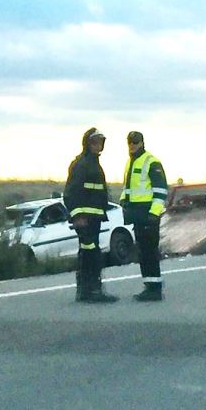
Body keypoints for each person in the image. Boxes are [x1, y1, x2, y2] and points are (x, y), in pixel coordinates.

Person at [64, 127, 118, 303]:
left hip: (94, 219)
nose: (99, 145)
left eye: (101, 142)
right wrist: (78, 216)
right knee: (90, 254)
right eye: (95, 142)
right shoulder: (81, 164)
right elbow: (71, 193)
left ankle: (88, 290)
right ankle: (91, 291)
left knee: (90, 253)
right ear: (88, 143)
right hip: (85, 220)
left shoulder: (94, 163)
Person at [120, 131, 168, 302]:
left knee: (150, 251)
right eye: (130, 142)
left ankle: (155, 288)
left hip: (148, 213)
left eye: (135, 142)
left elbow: (161, 190)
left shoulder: (151, 161)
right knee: (143, 251)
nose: (132, 145)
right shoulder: (130, 162)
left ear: (142, 142)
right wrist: (123, 202)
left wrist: (154, 214)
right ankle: (148, 285)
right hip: (137, 214)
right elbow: (128, 188)